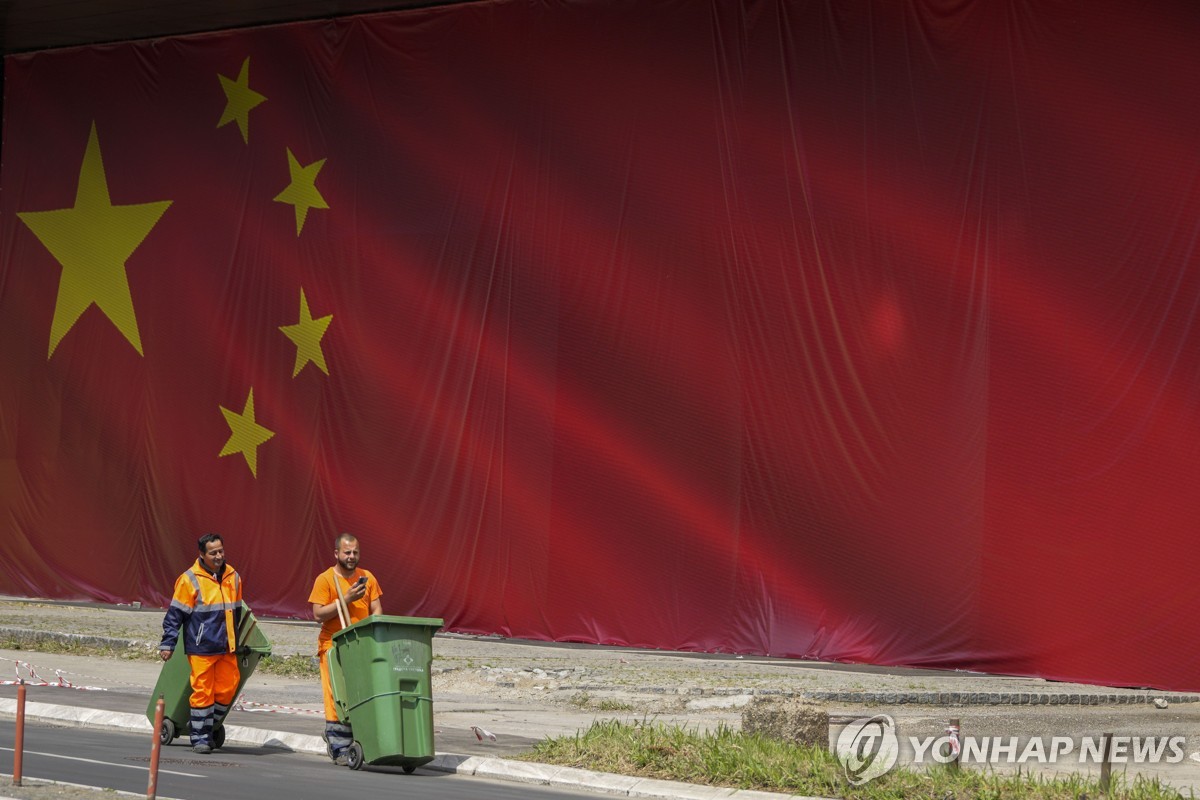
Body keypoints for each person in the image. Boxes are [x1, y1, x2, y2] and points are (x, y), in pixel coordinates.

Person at [159, 533, 244, 754]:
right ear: (202, 555)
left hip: (227, 646)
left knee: (227, 689)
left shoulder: (233, 576)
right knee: (203, 692)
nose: (218, 556)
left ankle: (205, 725)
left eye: (221, 551)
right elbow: (175, 615)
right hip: (202, 647)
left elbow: (237, 612)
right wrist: (168, 643)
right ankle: (200, 737)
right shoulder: (189, 579)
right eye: (213, 552)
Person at [309, 532, 382, 765]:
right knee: (337, 697)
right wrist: (347, 599)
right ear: (336, 553)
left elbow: (377, 609)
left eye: (355, 552)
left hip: (361, 645)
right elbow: (318, 614)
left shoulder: (367, 577)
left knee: (360, 696)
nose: (351, 557)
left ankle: (354, 741)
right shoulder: (326, 579)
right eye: (347, 552)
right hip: (334, 645)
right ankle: (338, 746)